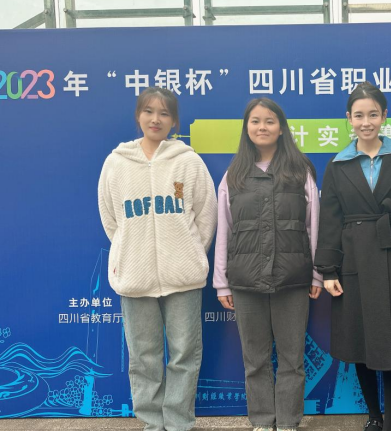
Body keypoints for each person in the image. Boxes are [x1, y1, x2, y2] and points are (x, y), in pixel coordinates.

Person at [316, 81, 391, 431]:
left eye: (372, 114)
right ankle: (373, 415)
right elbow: (329, 221)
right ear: (348, 119)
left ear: (384, 116)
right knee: (361, 341)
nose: (365, 122)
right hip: (354, 262)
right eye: (358, 115)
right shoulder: (338, 165)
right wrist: (328, 270)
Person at [97, 87, 217, 431]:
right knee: (143, 357)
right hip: (135, 278)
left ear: (174, 121)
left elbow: (205, 216)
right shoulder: (116, 163)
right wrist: (130, 250)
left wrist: (187, 252)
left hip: (183, 276)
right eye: (149, 111)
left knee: (184, 354)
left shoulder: (188, 162)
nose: (156, 119)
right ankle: (152, 423)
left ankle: (178, 423)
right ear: (138, 116)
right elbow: (111, 220)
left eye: (164, 113)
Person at [213, 97, 322, 431]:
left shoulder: (300, 172)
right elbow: (224, 231)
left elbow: (313, 226)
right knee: (255, 359)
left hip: (293, 279)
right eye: (255, 121)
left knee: (292, 358)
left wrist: (317, 275)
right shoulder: (233, 176)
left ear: (281, 128)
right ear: (246, 128)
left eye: (270, 121)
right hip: (245, 282)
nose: (262, 127)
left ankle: (288, 422)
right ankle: (262, 421)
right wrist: (221, 282)